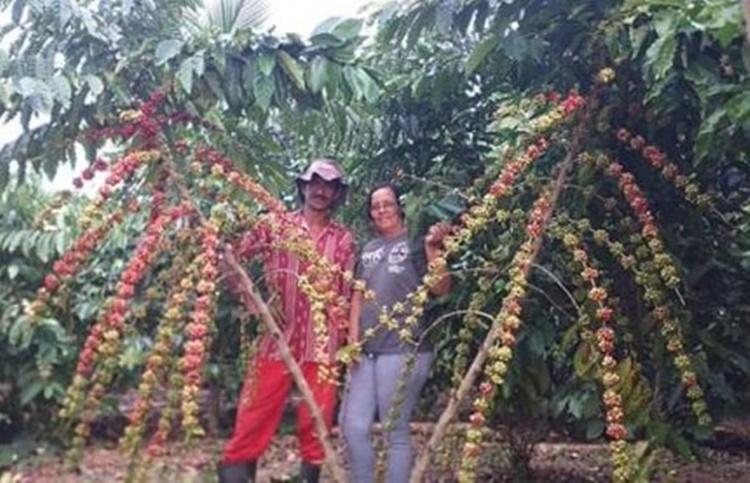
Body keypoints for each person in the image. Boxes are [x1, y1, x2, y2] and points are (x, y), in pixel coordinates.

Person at [218, 159, 355, 483]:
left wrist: (347, 341)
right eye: (315, 183)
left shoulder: (344, 239)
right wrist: (251, 301)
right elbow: (231, 255)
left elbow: (346, 293)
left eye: (329, 186)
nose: (321, 190)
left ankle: (308, 476)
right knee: (254, 411)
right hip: (276, 337)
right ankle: (237, 472)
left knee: (317, 422)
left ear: (336, 194)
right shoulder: (275, 225)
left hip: (322, 344)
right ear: (303, 187)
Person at [340, 183, 452, 483]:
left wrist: (433, 249)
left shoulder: (417, 244)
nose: (381, 210)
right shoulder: (368, 249)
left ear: (399, 206)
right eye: (375, 206)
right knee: (353, 427)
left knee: (394, 428)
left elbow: (441, 289)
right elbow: (358, 296)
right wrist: (352, 339)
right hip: (366, 351)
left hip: (405, 348)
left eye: (387, 203)